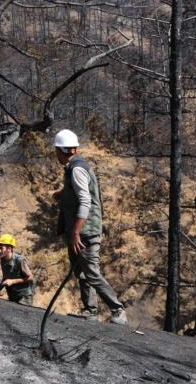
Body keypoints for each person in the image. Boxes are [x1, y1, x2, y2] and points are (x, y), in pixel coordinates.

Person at [52, 129, 127, 325]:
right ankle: (90, 310)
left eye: (56, 151)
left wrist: (76, 232)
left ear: (61, 151)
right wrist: (64, 192)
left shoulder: (76, 169)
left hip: (85, 231)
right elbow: (81, 189)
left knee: (91, 272)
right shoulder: (76, 166)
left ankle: (118, 310)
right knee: (82, 271)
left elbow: (85, 201)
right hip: (82, 231)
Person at [0, 234, 34, 305]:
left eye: (1, 248)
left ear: (9, 248)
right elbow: (6, 277)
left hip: (24, 297)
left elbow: (30, 277)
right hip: (12, 296)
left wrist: (13, 281)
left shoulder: (19, 260)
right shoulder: (3, 260)